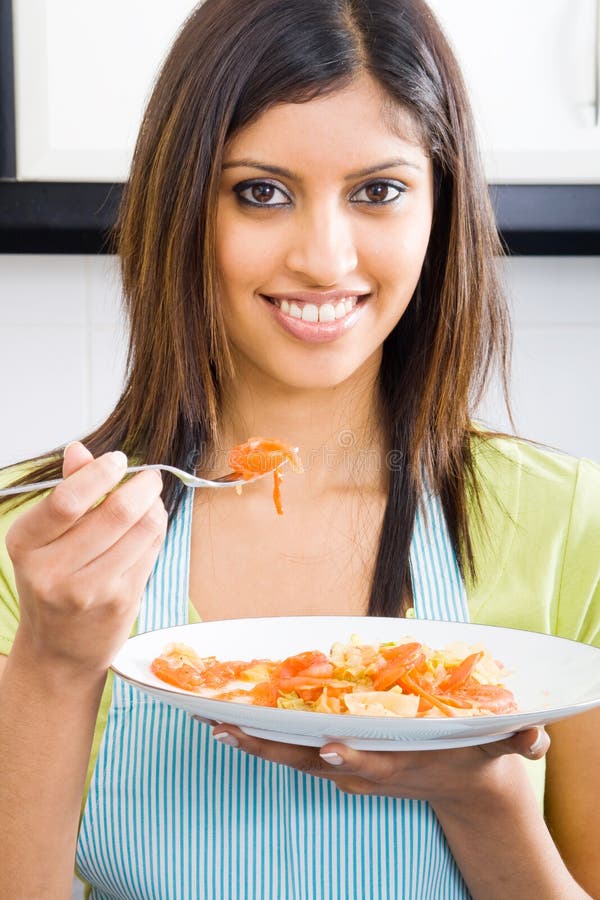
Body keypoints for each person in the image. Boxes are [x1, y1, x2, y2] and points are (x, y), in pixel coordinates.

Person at [0, 0, 598, 897]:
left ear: (442, 205)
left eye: (378, 191)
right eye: (261, 192)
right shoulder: (39, 544)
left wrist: (483, 799)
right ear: (182, 206)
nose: (324, 258)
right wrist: (53, 659)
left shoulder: (564, 522)